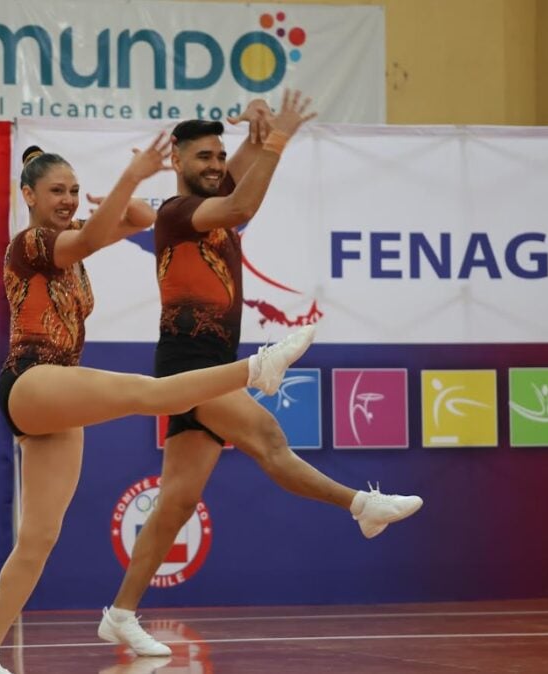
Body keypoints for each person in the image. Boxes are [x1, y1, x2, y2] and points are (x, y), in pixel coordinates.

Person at [0, 135, 317, 674]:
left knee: (39, 537)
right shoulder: (29, 244)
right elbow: (88, 241)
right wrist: (131, 177)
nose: (68, 199)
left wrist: (137, 188)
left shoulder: (75, 233)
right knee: (144, 393)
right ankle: (255, 369)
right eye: (56, 190)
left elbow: (134, 222)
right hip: (31, 381)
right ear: (28, 195)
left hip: (59, 396)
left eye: (75, 190)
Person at [96, 93, 424, 657]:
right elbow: (242, 207)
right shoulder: (180, 214)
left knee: (176, 502)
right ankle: (361, 507)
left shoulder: (210, 197)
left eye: (218, 157)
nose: (214, 165)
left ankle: (120, 614)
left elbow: (239, 178)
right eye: (203, 157)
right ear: (176, 160)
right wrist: (277, 141)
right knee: (269, 439)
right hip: (191, 364)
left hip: (208, 359)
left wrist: (255, 131)